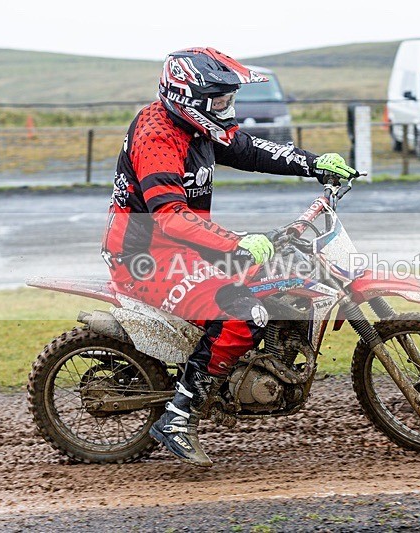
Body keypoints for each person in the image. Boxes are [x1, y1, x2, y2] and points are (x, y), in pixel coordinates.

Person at [100, 47, 358, 466]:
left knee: (281, 274)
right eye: (220, 100)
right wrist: (235, 244)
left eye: (229, 98)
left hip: (186, 246)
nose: (228, 107)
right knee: (243, 312)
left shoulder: (196, 124)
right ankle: (179, 417)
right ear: (189, 97)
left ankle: (257, 364)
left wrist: (315, 163)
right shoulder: (158, 136)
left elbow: (251, 149)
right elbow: (169, 216)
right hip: (146, 258)